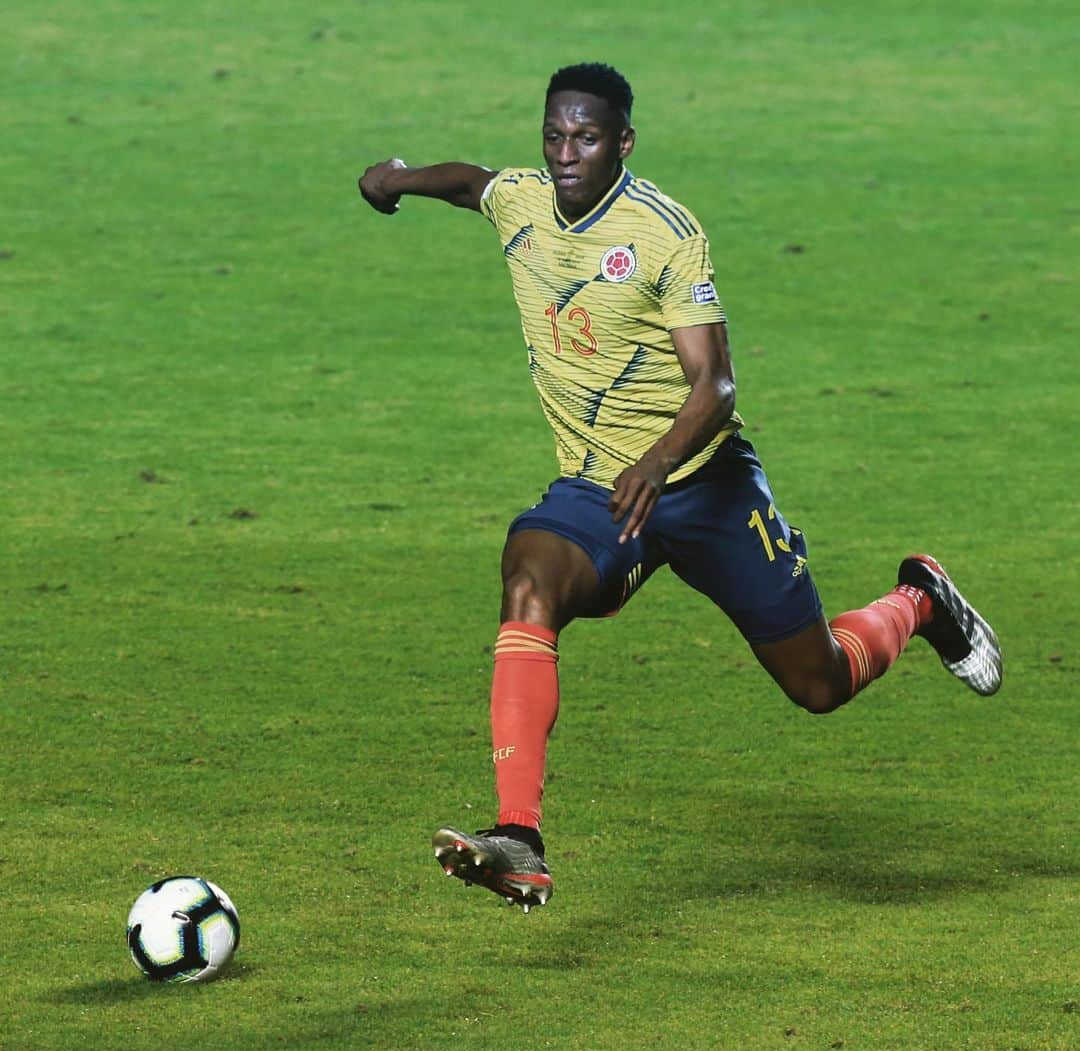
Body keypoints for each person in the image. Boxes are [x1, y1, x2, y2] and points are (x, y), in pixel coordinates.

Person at [358, 62, 1002, 914]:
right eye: (554, 135)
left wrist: (658, 459)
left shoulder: (665, 234)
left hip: (704, 486)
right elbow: (471, 182)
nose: (565, 154)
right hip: (598, 492)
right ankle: (519, 836)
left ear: (622, 142)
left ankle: (919, 601)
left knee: (818, 684)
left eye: (585, 137)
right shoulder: (523, 202)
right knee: (528, 581)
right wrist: (397, 180)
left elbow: (717, 386)